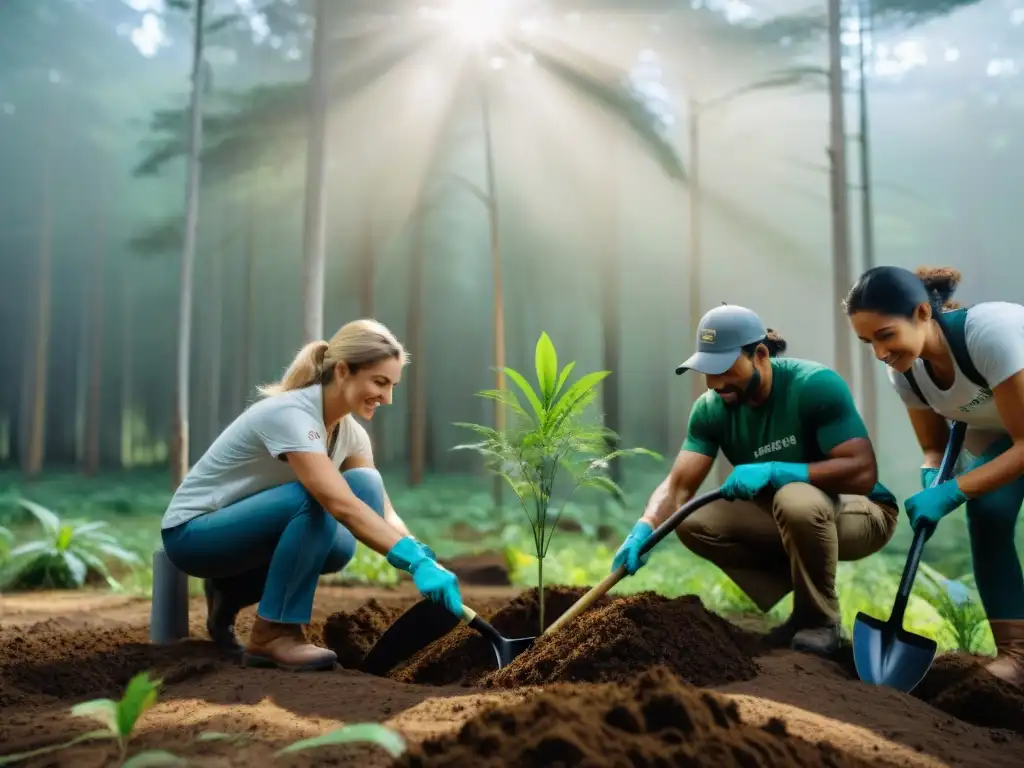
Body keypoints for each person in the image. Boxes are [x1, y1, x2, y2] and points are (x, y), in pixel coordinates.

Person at [160, 319, 462, 672]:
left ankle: (231, 591)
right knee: (320, 496)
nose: (387, 397)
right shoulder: (292, 414)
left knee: (353, 511)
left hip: (245, 534)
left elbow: (380, 510)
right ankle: (274, 632)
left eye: (392, 385)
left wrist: (426, 557)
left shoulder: (350, 434)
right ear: (344, 371)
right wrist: (413, 562)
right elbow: (335, 501)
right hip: (193, 535)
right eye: (380, 382)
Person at [612, 304, 899, 657]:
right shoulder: (710, 408)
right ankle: (802, 596)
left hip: (863, 511)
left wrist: (776, 470)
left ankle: (819, 621)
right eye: (706, 370)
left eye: (724, 368)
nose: (716, 383)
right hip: (786, 516)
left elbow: (861, 471)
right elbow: (678, 488)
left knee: (796, 498)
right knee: (691, 522)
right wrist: (644, 529)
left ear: (759, 354)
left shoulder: (814, 386)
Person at [845, 265, 1024, 688]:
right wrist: (933, 477)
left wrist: (951, 493)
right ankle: (1019, 656)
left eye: (885, 335)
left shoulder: (989, 335)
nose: (879, 352)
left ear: (923, 312)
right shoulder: (906, 372)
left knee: (977, 499)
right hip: (1006, 429)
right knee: (988, 515)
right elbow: (934, 446)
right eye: (867, 341)